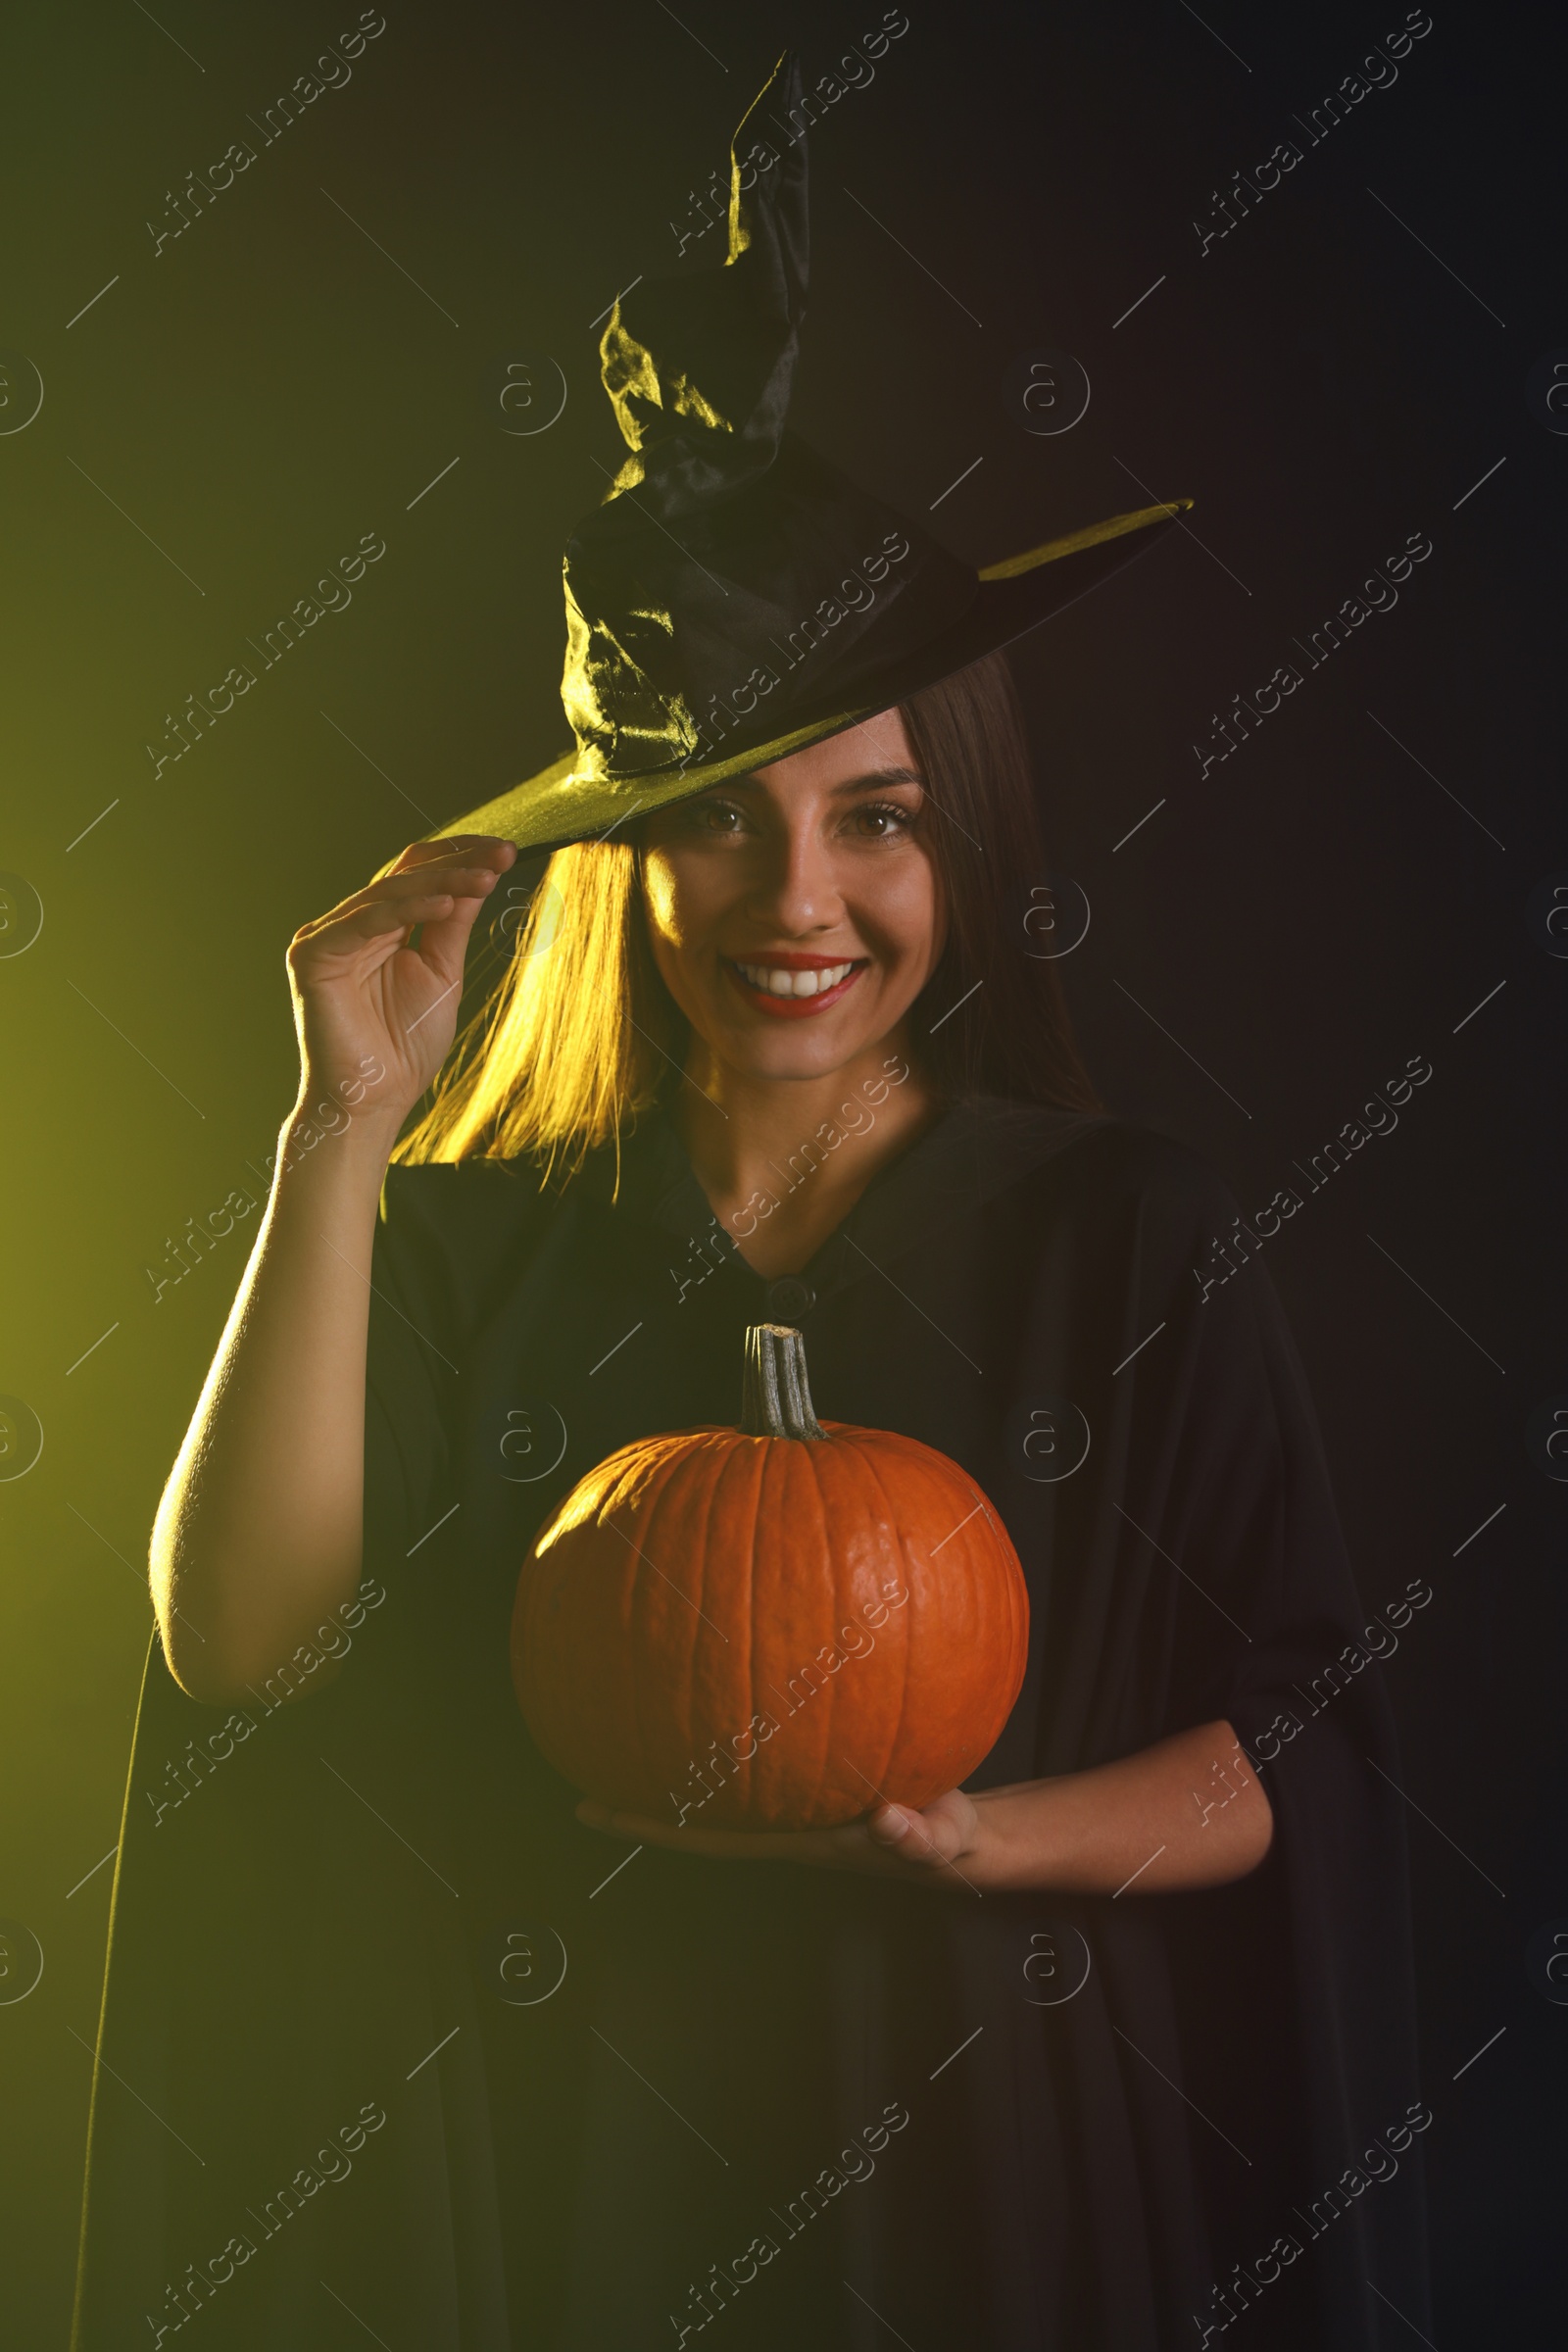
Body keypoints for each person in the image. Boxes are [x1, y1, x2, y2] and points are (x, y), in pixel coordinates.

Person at [72, 51, 1428, 2352]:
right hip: (571, 2168)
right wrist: (335, 1139)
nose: (791, 896)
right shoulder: (472, 1235)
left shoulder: (1122, 1236)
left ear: (961, 839)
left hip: (1008, 2179)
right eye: (715, 818)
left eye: (874, 818)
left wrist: (984, 1837)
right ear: (621, 854)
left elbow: (1288, 1746)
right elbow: (236, 1646)